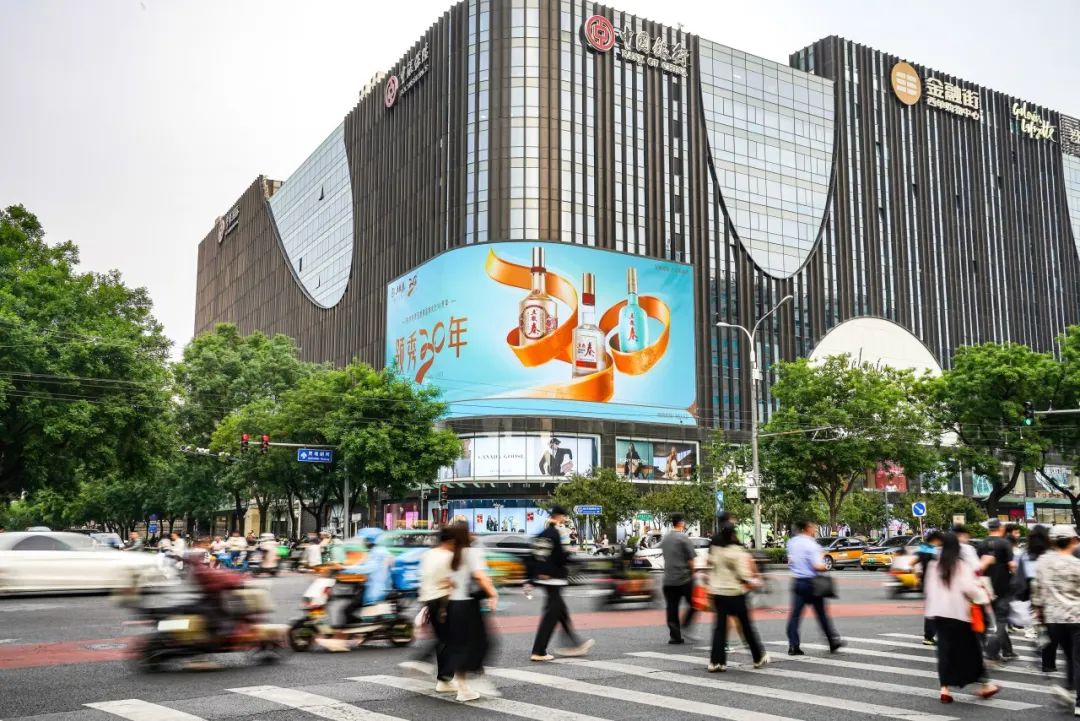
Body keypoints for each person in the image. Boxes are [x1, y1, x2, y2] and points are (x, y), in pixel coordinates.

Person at [924, 533, 999, 703]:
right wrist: (982, 597)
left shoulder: (934, 565)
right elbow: (970, 589)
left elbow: (929, 590)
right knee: (971, 651)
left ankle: (944, 689)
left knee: (944, 651)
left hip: (939, 614)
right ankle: (986, 684)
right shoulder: (960, 565)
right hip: (960, 614)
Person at [528, 504, 593, 661]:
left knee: (561, 613)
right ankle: (539, 651)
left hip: (546, 580)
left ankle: (575, 644)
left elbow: (534, 556)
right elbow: (559, 557)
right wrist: (573, 557)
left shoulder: (542, 533)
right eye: (563, 516)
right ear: (558, 516)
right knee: (551, 616)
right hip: (554, 580)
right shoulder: (556, 533)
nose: (564, 519)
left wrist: (532, 578)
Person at [442, 523, 499, 702]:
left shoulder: (450, 554)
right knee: (482, 642)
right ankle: (474, 680)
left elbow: (447, 582)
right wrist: (493, 594)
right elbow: (480, 576)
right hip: (468, 605)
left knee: (459, 645)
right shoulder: (471, 553)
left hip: (453, 604)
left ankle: (463, 687)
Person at [707, 523, 768, 672]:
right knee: (746, 627)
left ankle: (716, 662)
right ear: (733, 535)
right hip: (734, 593)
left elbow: (710, 565)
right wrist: (754, 582)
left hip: (718, 593)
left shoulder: (716, 550)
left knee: (720, 628)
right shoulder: (737, 551)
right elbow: (743, 574)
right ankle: (758, 657)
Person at [400, 527, 455, 691]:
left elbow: (424, 579)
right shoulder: (449, 556)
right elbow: (450, 581)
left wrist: (424, 603)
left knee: (442, 638)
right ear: (451, 540)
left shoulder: (428, 555)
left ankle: (443, 679)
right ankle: (426, 664)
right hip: (444, 600)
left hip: (429, 599)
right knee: (449, 639)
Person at [1034, 524, 1080, 712]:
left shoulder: (1043, 561)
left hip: (1054, 618)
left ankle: (1070, 689)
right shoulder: (1076, 564)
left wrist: (1038, 612)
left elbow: (1037, 590)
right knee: (1077, 659)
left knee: (1069, 656)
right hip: (1076, 617)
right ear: (1072, 541)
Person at [785, 520, 843, 655]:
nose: (815, 529)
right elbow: (817, 566)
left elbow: (790, 562)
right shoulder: (812, 545)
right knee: (821, 614)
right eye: (813, 527)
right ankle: (832, 642)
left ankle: (793, 646)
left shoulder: (792, 543)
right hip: (812, 583)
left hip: (798, 582)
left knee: (795, 616)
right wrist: (825, 566)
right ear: (807, 528)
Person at [980, 519, 1017, 662]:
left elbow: (979, 565)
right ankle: (992, 648)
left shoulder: (982, 544)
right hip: (1003, 587)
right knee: (1002, 620)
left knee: (994, 619)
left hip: (986, 588)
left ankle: (1008, 650)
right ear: (1000, 528)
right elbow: (1012, 565)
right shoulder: (1005, 543)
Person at [660, 513, 698, 644]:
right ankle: (686, 625)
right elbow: (691, 560)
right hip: (684, 579)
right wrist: (693, 574)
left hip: (668, 580)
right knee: (695, 603)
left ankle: (675, 636)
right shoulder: (684, 538)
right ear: (681, 522)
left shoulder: (665, 539)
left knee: (672, 608)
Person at [915, 531, 945, 645]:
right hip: (937, 583)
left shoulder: (923, 547)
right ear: (937, 539)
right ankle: (932, 636)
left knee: (931, 609)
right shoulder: (936, 550)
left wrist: (918, 577)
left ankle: (929, 636)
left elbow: (912, 562)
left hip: (926, 582)